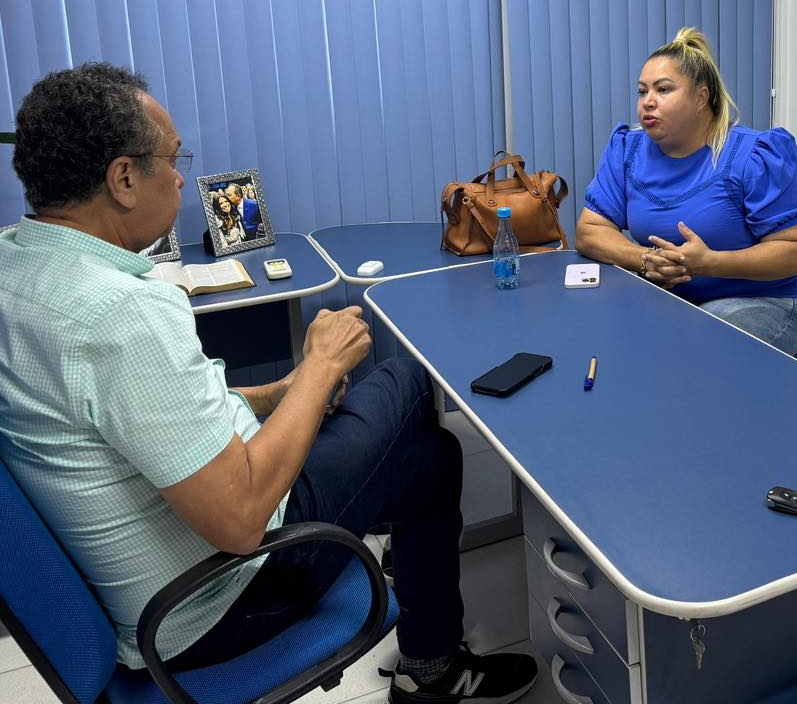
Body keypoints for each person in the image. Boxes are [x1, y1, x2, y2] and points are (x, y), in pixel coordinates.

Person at [0, 63, 536, 704]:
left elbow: (148, 422)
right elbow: (243, 520)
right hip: (219, 601)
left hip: (156, 575)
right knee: (408, 381)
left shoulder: (18, 268)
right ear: (122, 179)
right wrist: (318, 369)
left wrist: (279, 394)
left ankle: (431, 668)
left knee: (429, 457)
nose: (178, 177)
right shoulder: (119, 315)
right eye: (172, 161)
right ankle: (426, 644)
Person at [576, 27, 797, 358]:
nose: (647, 102)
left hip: (764, 301)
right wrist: (644, 259)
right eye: (642, 91)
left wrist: (710, 263)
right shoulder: (627, 149)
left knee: (687, 357)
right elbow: (590, 231)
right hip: (674, 301)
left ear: (701, 98)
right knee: (604, 341)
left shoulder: (753, 156)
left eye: (663, 90)